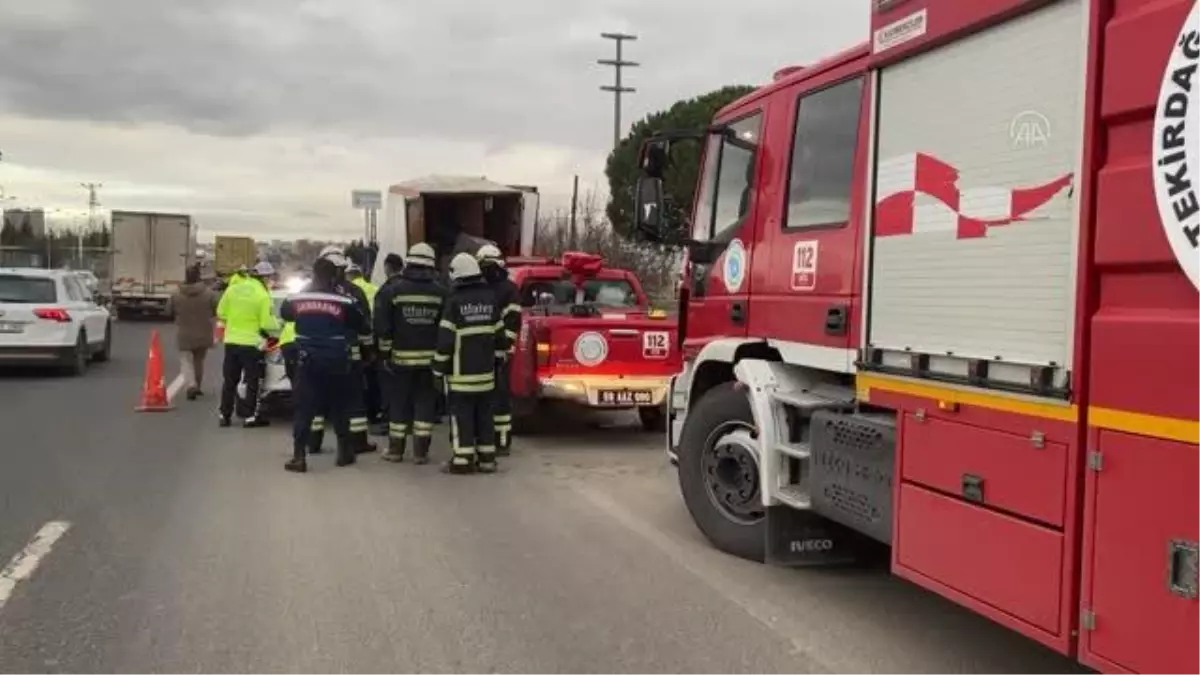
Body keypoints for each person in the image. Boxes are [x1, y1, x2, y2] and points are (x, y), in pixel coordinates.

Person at [280, 256, 366, 473]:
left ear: (314, 274)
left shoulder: (296, 299)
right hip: (337, 360)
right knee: (340, 406)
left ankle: (299, 457)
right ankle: (344, 453)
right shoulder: (344, 301)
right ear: (335, 275)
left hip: (307, 359)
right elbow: (362, 326)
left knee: (304, 409)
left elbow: (286, 315)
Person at [433, 253, 509, 474]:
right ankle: (487, 459)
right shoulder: (490, 299)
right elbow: (500, 336)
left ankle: (463, 460)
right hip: (486, 376)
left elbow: (445, 341)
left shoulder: (454, 302)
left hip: (461, 376)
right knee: (485, 416)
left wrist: (438, 370)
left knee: (462, 417)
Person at [375, 243, 446, 464]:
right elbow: (446, 327)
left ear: (409, 262)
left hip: (400, 360)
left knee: (399, 404)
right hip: (430, 362)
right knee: (425, 404)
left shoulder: (392, 290)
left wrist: (385, 355)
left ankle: (396, 451)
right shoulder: (441, 292)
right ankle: (420, 453)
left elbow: (382, 326)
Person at [308, 246, 375, 454]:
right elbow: (365, 325)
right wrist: (369, 351)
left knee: (316, 399)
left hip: (314, 355)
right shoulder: (354, 292)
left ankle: (313, 442)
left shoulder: (308, 292)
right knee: (352, 399)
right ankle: (356, 443)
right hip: (347, 355)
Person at [216, 260, 278, 427]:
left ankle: (224, 415)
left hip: (232, 342)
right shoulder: (262, 295)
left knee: (230, 381)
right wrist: (279, 324)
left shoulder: (233, 289)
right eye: (269, 277)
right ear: (264, 277)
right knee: (252, 381)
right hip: (252, 344)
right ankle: (250, 417)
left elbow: (221, 312)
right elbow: (266, 323)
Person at [475, 244, 520, 457]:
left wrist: (503, 348)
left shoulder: (504, 289)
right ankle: (492, 440)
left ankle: (500, 441)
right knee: (491, 399)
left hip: (494, 354)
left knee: (498, 398)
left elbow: (512, 323)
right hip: (489, 353)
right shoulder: (500, 288)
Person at [346, 262, 384, 435]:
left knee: (353, 381)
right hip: (372, 339)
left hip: (353, 341)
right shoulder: (374, 288)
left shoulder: (348, 291)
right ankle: (375, 412)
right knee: (373, 378)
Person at [172, 264, 219, 400]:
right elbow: (217, 309)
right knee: (199, 360)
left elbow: (169, 310)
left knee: (186, 360)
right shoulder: (209, 293)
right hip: (204, 332)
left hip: (184, 332)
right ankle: (197, 386)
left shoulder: (176, 294)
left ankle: (191, 385)